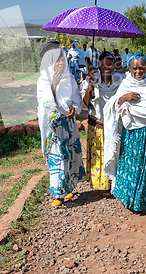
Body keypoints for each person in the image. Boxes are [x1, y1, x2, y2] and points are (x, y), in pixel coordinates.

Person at [104, 52, 146, 212]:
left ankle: (143, 202)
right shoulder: (125, 84)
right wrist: (124, 97)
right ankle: (128, 199)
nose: (138, 72)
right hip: (131, 131)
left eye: (141, 68)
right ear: (129, 68)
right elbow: (114, 104)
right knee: (130, 163)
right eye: (134, 68)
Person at [37, 42, 86, 207]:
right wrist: (53, 85)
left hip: (69, 123)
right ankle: (59, 193)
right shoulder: (43, 79)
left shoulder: (70, 78)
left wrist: (74, 108)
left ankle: (69, 187)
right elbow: (44, 103)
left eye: (62, 60)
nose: (60, 63)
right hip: (55, 127)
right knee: (59, 158)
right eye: (56, 61)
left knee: (71, 156)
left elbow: (77, 98)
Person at [80, 51, 124, 193]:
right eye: (103, 64)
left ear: (113, 66)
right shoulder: (91, 80)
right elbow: (86, 103)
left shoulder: (118, 81)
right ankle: (104, 184)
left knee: (113, 154)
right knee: (100, 155)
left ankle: (113, 183)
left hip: (113, 125)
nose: (107, 67)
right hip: (97, 124)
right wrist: (90, 86)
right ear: (99, 64)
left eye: (110, 64)